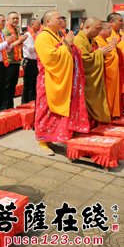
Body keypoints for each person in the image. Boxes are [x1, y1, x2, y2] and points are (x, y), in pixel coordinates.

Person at [35, 10, 90, 155]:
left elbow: (69, 51)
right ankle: (42, 140)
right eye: (57, 18)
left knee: (58, 112)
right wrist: (66, 45)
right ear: (48, 22)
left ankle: (53, 137)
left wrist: (70, 45)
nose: (61, 20)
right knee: (46, 110)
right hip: (48, 79)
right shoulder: (42, 37)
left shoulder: (58, 34)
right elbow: (50, 58)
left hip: (61, 78)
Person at [73, 18, 111, 124]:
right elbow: (84, 60)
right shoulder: (79, 40)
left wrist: (100, 53)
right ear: (87, 27)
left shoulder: (92, 39)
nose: (98, 32)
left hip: (92, 78)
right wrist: (99, 53)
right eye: (97, 29)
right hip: (83, 79)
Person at [94, 21, 120, 118]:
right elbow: (106, 56)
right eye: (108, 28)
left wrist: (113, 47)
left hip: (112, 73)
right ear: (101, 30)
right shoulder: (98, 40)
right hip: (105, 74)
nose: (110, 31)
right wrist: (113, 47)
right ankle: (106, 113)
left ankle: (111, 112)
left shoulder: (105, 40)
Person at [2, 12, 27, 109]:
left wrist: (20, 42)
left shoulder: (16, 30)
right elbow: (7, 47)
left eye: (17, 18)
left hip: (16, 61)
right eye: (14, 18)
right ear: (8, 20)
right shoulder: (6, 31)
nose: (16, 20)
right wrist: (20, 41)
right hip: (9, 62)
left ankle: (10, 106)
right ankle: (5, 107)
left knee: (13, 86)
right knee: (7, 87)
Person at [22, 18, 41, 103]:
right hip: (29, 61)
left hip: (35, 61)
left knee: (34, 82)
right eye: (38, 24)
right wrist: (40, 46)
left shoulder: (37, 34)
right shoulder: (28, 35)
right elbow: (30, 48)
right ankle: (26, 101)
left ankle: (32, 99)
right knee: (28, 83)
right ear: (32, 24)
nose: (39, 26)